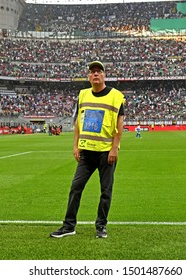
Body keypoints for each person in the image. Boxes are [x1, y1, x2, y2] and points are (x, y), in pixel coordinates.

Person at [50, 61, 125, 239]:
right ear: (88, 76)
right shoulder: (82, 95)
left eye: (99, 71)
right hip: (86, 152)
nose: (96, 74)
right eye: (92, 72)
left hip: (106, 153)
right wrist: (75, 145)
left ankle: (101, 225)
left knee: (106, 191)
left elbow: (120, 124)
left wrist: (115, 148)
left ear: (104, 75)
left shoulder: (116, 96)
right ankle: (69, 226)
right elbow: (78, 122)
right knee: (75, 187)